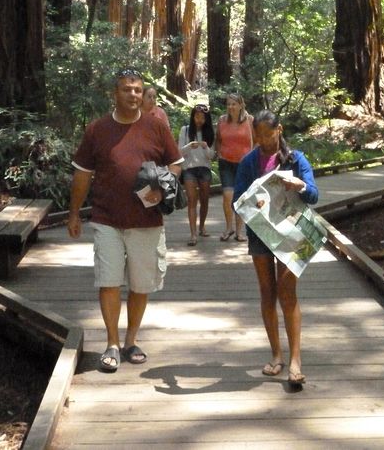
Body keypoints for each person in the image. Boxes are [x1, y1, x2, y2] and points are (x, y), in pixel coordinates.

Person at [68, 69, 183, 372]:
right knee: (108, 281)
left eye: (137, 90)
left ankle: (131, 340)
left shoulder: (156, 127)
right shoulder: (98, 129)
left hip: (147, 220)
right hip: (107, 218)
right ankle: (111, 343)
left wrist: (164, 187)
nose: (132, 94)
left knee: (141, 285)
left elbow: (175, 163)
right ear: (115, 93)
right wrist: (74, 212)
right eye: (126, 89)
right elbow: (82, 173)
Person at [233, 110, 318, 388]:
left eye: (269, 135)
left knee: (287, 293)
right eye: (258, 136)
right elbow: (238, 200)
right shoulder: (248, 162)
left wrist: (300, 185)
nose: (264, 141)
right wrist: (252, 202)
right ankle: (276, 355)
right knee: (267, 293)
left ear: (279, 130)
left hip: (291, 232)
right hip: (260, 234)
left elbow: (314, 195)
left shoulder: (296, 159)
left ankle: (296, 360)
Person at [215, 93, 253, 242]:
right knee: (227, 196)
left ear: (241, 105)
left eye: (234, 104)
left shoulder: (249, 121)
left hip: (244, 164)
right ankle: (228, 228)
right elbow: (218, 139)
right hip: (226, 163)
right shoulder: (222, 121)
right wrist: (219, 153)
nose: (231, 107)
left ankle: (239, 231)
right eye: (228, 104)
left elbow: (256, 140)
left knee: (241, 197)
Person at [178, 104, 215, 246]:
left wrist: (205, 147)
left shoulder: (210, 133)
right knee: (192, 201)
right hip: (189, 170)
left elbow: (211, 156)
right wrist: (189, 146)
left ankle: (202, 226)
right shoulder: (185, 130)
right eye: (196, 116)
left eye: (202, 117)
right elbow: (179, 152)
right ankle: (193, 234)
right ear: (193, 116)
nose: (199, 120)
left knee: (204, 200)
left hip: (205, 169)